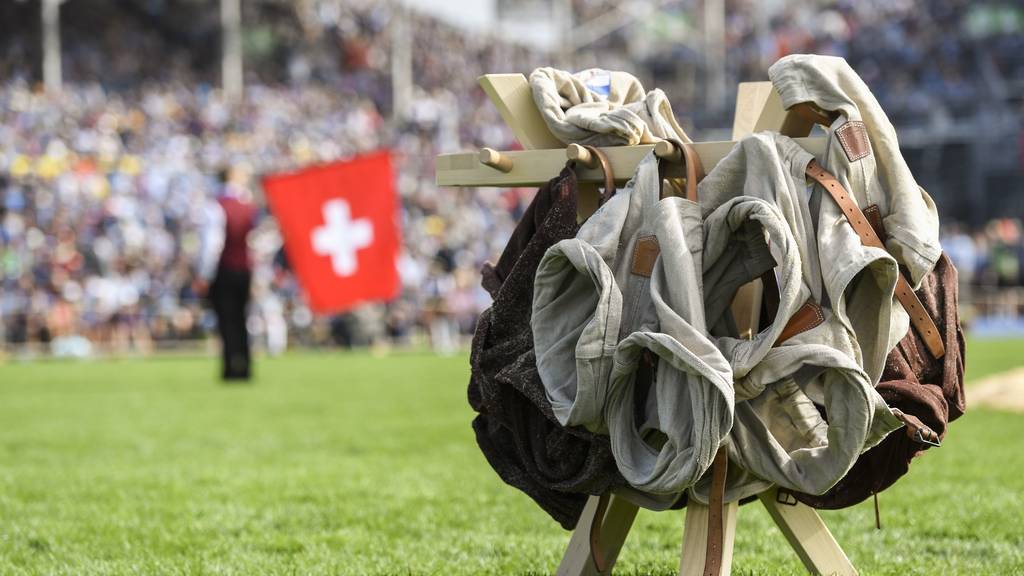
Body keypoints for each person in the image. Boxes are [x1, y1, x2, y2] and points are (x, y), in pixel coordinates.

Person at [194, 166, 258, 381]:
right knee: (242, 318)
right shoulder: (248, 206)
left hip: (225, 270)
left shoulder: (216, 207)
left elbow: (212, 245)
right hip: (244, 269)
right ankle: (245, 366)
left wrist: (204, 275)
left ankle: (231, 367)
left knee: (227, 320)